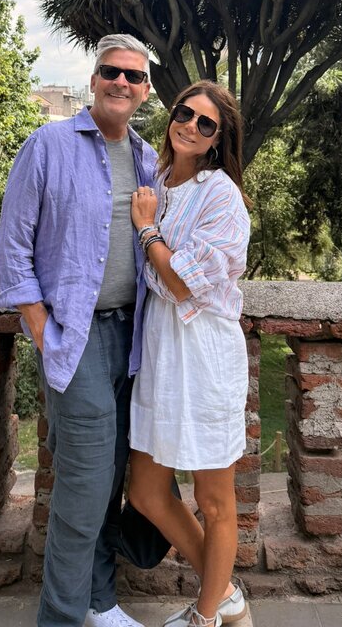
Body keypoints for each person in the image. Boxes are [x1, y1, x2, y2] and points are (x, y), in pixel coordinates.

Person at [0, 34, 156, 627]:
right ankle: (59, 616)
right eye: (111, 71)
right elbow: (13, 247)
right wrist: (41, 329)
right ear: (93, 80)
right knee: (84, 482)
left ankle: (99, 602)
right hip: (74, 336)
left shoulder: (147, 158)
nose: (121, 83)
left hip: (132, 338)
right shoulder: (49, 144)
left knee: (110, 478)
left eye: (133, 76)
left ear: (146, 90)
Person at [128, 82, 251, 627]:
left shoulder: (221, 195)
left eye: (206, 124)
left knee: (214, 498)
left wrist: (147, 230)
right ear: (172, 114)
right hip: (160, 351)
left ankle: (206, 617)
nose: (191, 127)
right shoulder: (156, 180)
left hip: (203, 355)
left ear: (218, 139)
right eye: (185, 113)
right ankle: (225, 595)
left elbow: (182, 284)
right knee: (146, 490)